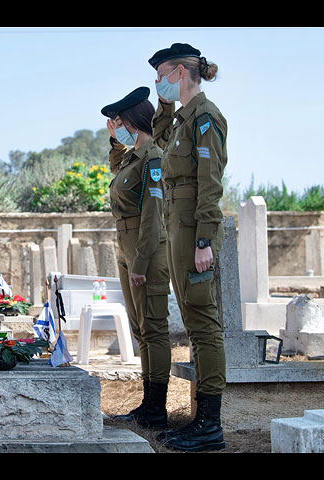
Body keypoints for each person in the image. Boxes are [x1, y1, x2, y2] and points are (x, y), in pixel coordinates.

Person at [148, 43, 228, 452]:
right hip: (175, 222)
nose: (158, 81)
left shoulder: (205, 117)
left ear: (179, 71)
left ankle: (211, 425)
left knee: (202, 319)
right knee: (194, 324)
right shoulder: (181, 118)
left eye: (162, 73)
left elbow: (211, 182)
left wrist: (204, 240)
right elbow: (159, 138)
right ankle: (200, 420)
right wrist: (162, 105)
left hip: (191, 224)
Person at [101, 86, 171, 430]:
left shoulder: (153, 157)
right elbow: (119, 175)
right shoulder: (132, 156)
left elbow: (154, 213)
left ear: (134, 120)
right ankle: (147, 404)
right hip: (128, 249)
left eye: (121, 121)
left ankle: (157, 408)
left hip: (148, 250)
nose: (119, 126)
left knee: (154, 329)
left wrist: (141, 263)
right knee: (140, 330)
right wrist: (115, 140)